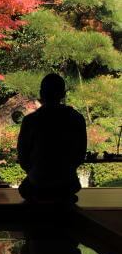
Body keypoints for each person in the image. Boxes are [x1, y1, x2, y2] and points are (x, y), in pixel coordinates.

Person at [17, 73, 87, 203]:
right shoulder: (76, 118)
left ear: (41, 93)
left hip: (38, 181)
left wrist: (37, 171)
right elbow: (80, 155)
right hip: (67, 182)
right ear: (63, 93)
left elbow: (23, 157)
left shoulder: (31, 120)